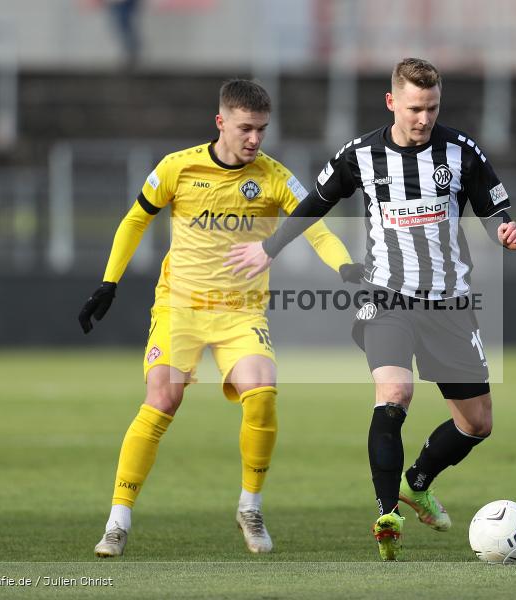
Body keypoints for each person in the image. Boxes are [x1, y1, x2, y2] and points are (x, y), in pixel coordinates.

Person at [226, 58, 516, 561]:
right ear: (392, 102)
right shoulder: (360, 155)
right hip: (386, 296)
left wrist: (505, 229)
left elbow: (493, 207)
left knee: (477, 424)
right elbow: (314, 203)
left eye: (432, 108)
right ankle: (387, 512)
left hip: (450, 302)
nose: (424, 118)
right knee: (394, 392)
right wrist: (269, 248)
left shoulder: (460, 150)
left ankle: (419, 480)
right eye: (414, 108)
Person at [79, 79, 357, 557]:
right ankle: (117, 520)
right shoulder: (178, 167)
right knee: (162, 400)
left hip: (239, 313)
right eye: (245, 128)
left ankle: (250, 506)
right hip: (180, 307)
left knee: (263, 393)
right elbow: (135, 219)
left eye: (262, 130)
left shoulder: (274, 177)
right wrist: (110, 282)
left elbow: (318, 230)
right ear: (221, 122)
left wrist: (349, 269)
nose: (254, 139)